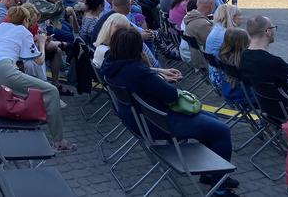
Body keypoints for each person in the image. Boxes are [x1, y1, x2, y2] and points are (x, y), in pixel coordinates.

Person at [101, 27, 237, 193]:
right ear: (136, 48)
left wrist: (156, 73)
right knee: (221, 130)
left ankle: (212, 174)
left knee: (212, 119)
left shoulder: (111, 64)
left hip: (139, 118)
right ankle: (220, 188)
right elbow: (171, 96)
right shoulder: (137, 71)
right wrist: (162, 79)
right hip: (158, 124)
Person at [0, 5, 74, 151]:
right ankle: (58, 141)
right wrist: (41, 42)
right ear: (25, 20)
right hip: (6, 73)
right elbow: (39, 60)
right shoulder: (23, 31)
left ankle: (45, 119)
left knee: (37, 89)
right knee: (52, 92)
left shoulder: (2, 27)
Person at [240, 15, 288, 109]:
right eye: (273, 28)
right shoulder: (274, 62)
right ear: (268, 31)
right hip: (284, 109)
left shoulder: (243, 56)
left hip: (267, 108)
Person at [182, 0, 215, 69]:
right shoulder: (203, 24)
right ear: (211, 6)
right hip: (198, 59)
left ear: (197, 3)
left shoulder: (190, 15)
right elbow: (213, 43)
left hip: (186, 52)